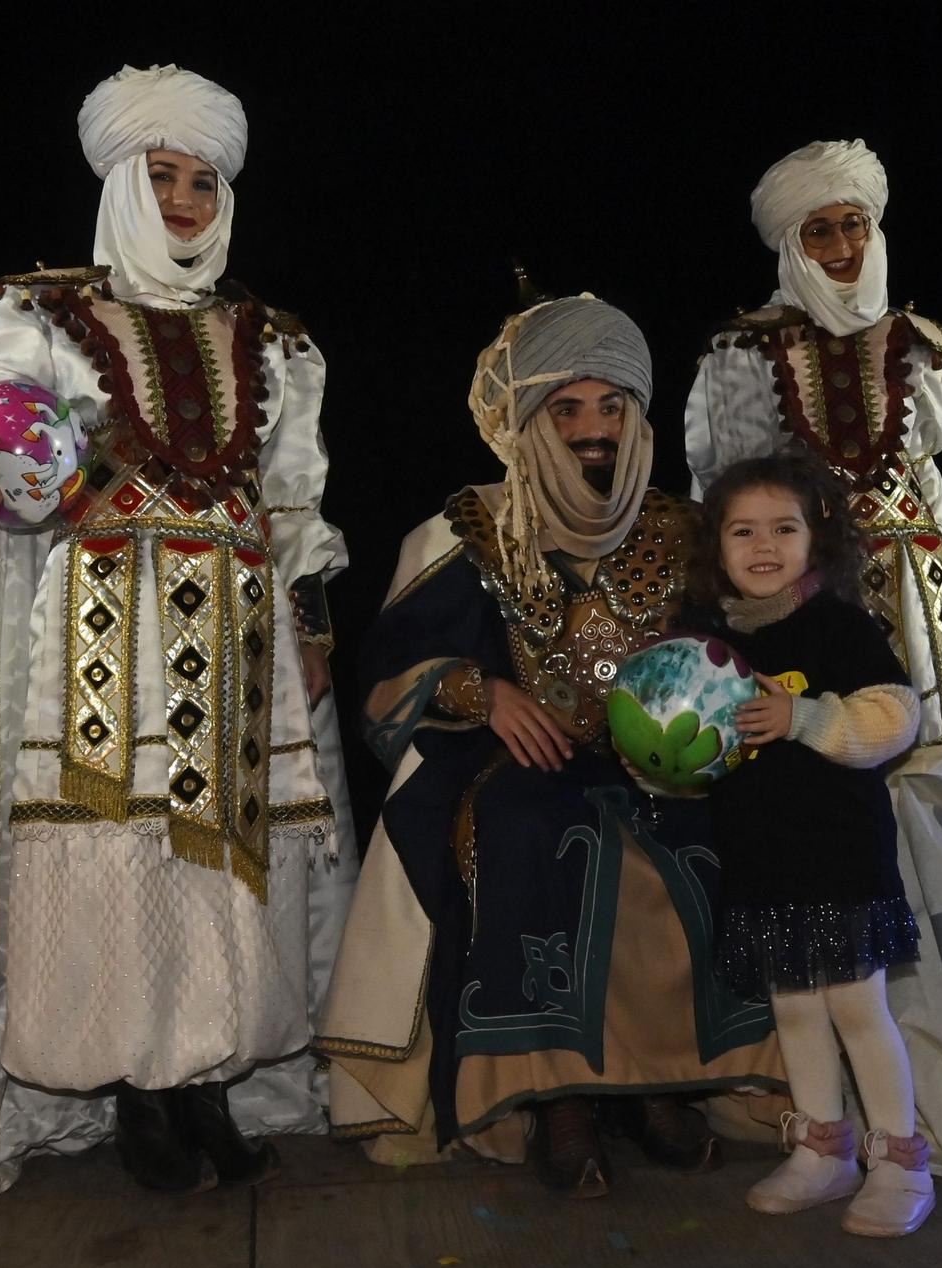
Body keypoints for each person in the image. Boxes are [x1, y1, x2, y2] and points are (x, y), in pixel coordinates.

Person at [0, 64, 357, 1222]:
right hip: (98, 626)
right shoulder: (39, 315)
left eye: (200, 181)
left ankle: (209, 1080)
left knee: (226, 865)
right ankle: (138, 1093)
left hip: (237, 629)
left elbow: (294, 500)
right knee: (113, 856)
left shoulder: (272, 342)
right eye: (158, 175)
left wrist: (312, 621)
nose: (181, 198)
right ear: (117, 182)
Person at [684, 140, 942, 1179]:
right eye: (816, 230)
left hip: (915, 598)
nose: (837, 245)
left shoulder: (921, 343)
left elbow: (927, 479)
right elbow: (726, 492)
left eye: (851, 225)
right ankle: (830, 1110)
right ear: (789, 242)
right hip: (799, 604)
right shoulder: (739, 354)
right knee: (817, 824)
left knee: (931, 793)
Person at [314, 296, 790, 1199]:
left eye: (610, 406)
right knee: (530, 824)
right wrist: (481, 691)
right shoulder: (471, 527)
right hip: (518, 759)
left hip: (668, 765)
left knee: (710, 831)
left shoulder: (683, 529)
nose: (592, 430)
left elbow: (741, 644)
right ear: (529, 420)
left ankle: (659, 1087)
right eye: (566, 410)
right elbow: (387, 669)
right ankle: (556, 1098)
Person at [688, 453, 933, 1236]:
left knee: (858, 1006)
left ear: (816, 539)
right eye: (743, 530)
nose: (764, 546)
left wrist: (803, 719)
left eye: (784, 528)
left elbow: (896, 716)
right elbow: (681, 747)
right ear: (716, 546)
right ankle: (824, 1154)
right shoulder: (706, 640)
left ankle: (899, 1162)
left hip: (838, 856)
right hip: (761, 861)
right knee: (794, 1007)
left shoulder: (839, 625)